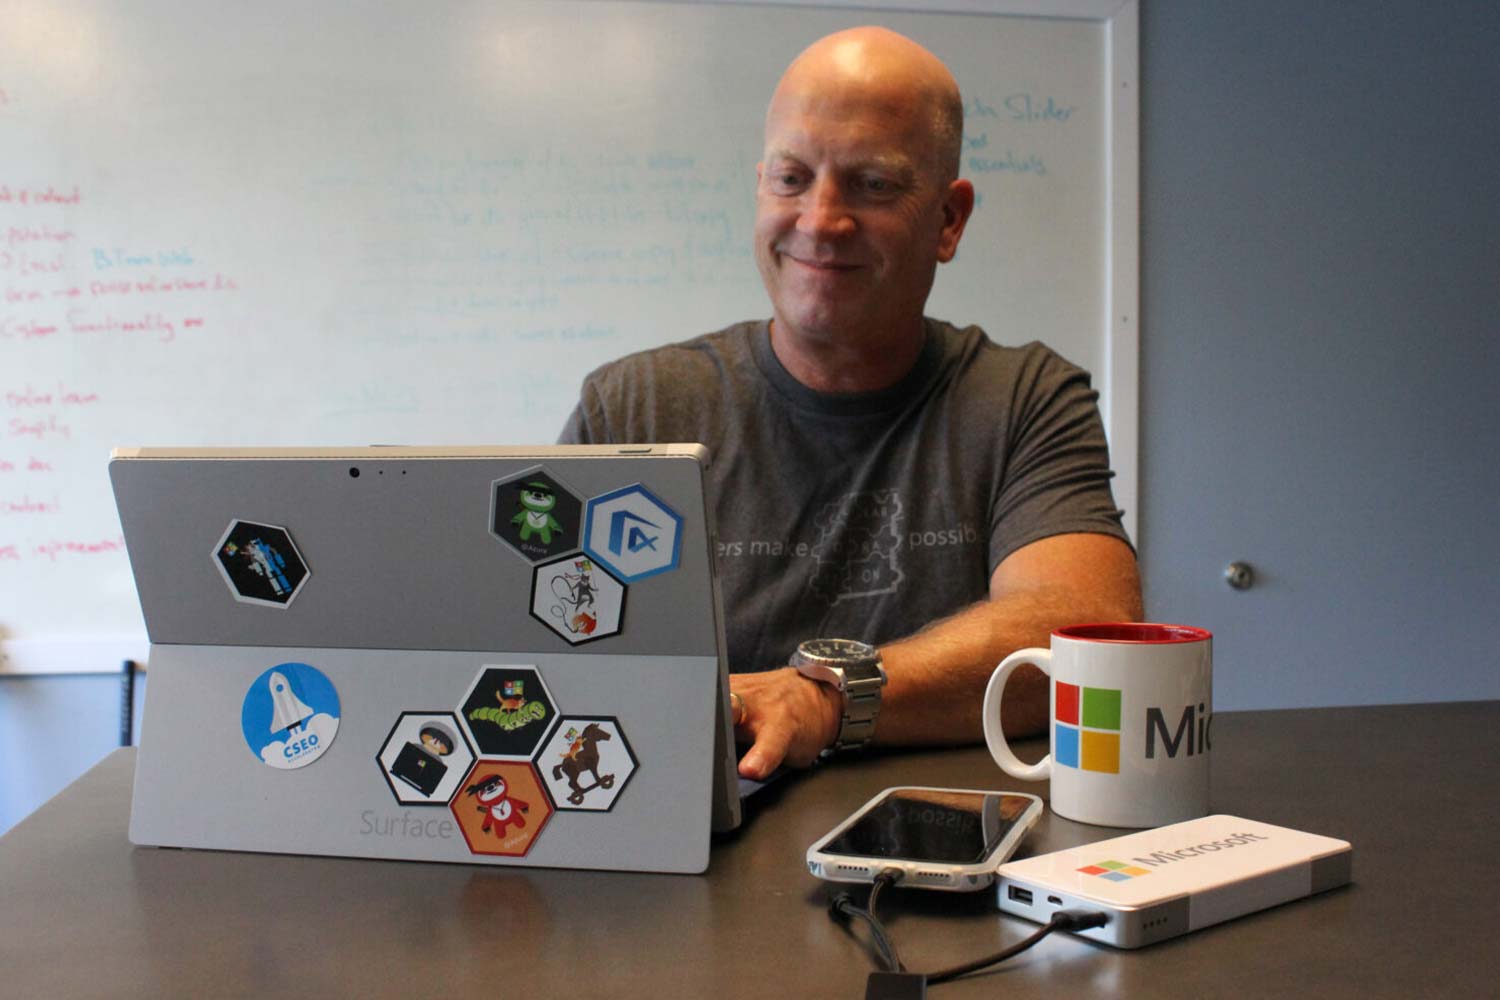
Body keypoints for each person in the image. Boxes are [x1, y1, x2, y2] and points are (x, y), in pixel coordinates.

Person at [559, 26, 1142, 780]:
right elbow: (562, 657)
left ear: (949, 219)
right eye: (792, 178)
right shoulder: (632, 410)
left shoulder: (1025, 401)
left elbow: (1082, 634)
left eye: (873, 184)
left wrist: (826, 699)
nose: (821, 222)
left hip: (949, 839)